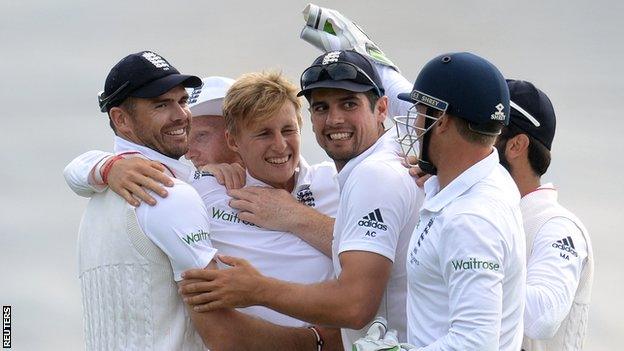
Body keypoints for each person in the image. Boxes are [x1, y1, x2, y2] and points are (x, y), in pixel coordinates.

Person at [67, 50, 338, 350]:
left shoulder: (334, 179)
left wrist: (292, 215)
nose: (189, 147)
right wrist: (107, 166)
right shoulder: (189, 190)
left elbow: (379, 252)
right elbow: (223, 333)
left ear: (232, 138)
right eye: (163, 106)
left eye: (203, 134)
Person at [180, 49, 423, 349]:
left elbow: (379, 264)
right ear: (234, 141)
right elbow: (140, 180)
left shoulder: (341, 181)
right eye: (263, 134)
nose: (280, 146)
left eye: (287, 130)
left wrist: (293, 215)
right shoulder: (205, 192)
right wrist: (105, 165)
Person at [394, 52, 526, 350]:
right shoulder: (492, 176)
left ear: (441, 121)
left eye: (419, 113)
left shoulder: (470, 221)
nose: (415, 124)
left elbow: (475, 343)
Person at [495, 80, 594, 351]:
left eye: (486, 130)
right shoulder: (483, 210)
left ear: (516, 146)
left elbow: (542, 317)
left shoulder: (559, 228)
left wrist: (469, 259)